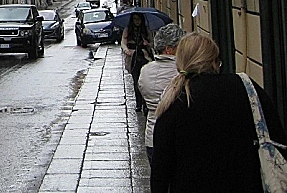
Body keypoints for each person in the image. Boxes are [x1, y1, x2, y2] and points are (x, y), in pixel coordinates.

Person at [151, 33, 287, 192]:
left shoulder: (173, 102)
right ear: (215, 61)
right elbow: (277, 136)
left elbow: (160, 170)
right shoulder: (246, 87)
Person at [138, 23, 187, 163]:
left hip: (151, 137)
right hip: (175, 138)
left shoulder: (145, 70)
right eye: (181, 46)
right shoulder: (181, 71)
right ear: (169, 49)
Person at [121, 12, 153, 112]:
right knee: (136, 82)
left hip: (144, 56)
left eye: (138, 19)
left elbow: (152, 43)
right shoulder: (128, 30)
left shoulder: (146, 30)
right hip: (133, 57)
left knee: (144, 80)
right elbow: (123, 42)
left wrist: (147, 44)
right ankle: (138, 103)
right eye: (135, 19)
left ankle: (145, 103)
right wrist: (126, 50)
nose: (137, 21)